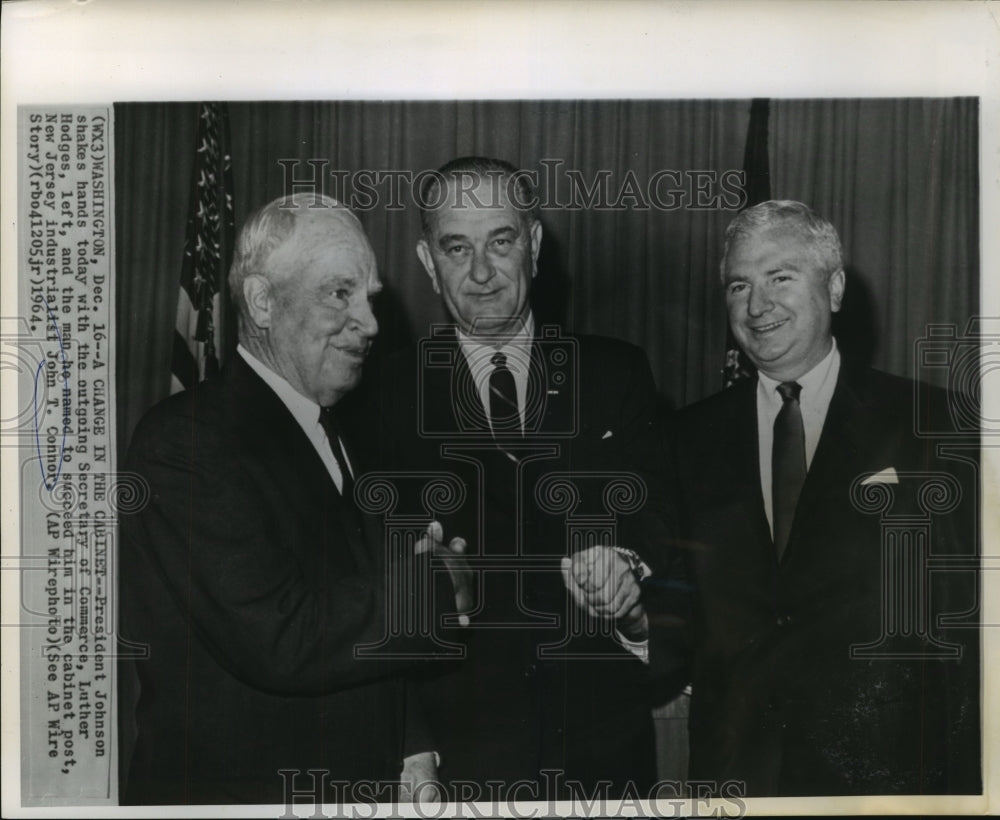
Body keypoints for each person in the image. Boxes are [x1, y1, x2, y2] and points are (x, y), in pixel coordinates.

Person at [569, 200, 981, 796]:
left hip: (891, 782)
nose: (757, 306)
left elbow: (972, 635)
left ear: (834, 287)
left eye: (779, 278)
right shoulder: (684, 441)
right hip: (738, 779)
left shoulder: (935, 426)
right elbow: (680, 621)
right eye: (739, 285)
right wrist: (631, 613)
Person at [118, 193, 471, 805]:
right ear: (261, 301)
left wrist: (413, 746)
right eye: (341, 294)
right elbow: (281, 637)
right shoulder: (187, 442)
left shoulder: (344, 431)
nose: (372, 323)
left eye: (370, 297)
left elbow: (359, 607)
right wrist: (436, 588)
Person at [348, 157, 678, 800]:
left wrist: (629, 575)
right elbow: (365, 587)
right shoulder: (380, 397)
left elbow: (667, 536)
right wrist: (412, 745)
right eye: (456, 247)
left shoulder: (616, 374)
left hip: (602, 755)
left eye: (500, 242)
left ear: (533, 243)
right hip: (458, 762)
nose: (480, 272)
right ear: (425, 260)